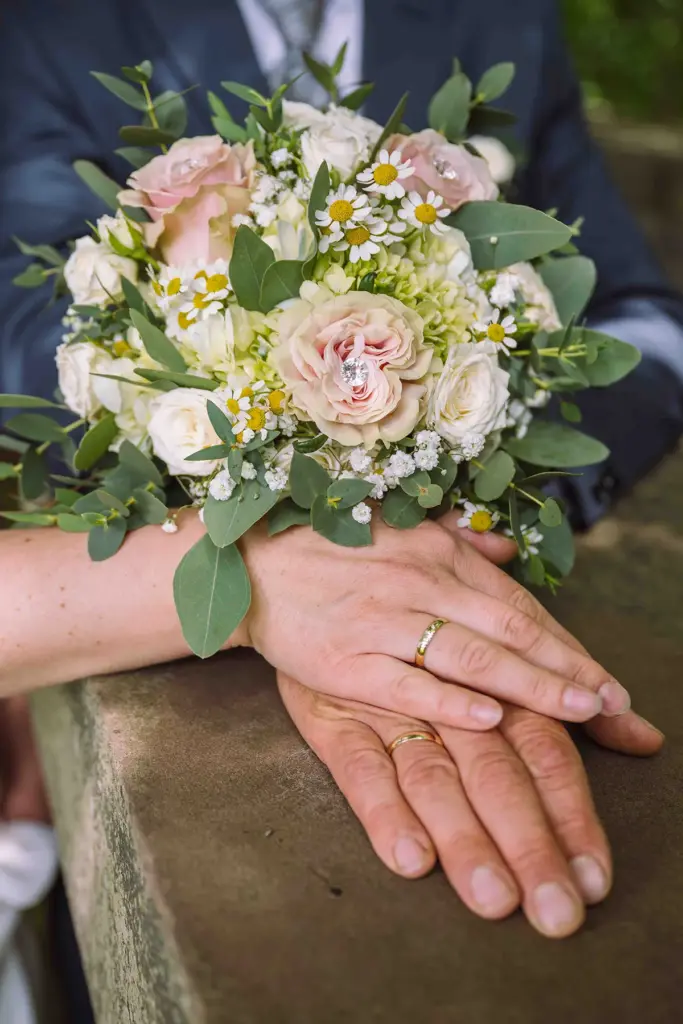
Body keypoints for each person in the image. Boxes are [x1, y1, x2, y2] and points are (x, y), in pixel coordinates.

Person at [0, 0, 677, 944]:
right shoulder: (44, 26)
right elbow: (34, 339)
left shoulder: (506, 21)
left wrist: (453, 524)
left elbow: (644, 329)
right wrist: (299, 550)